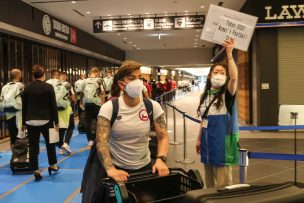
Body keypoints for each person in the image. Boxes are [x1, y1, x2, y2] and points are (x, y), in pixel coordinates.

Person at [81, 60, 169, 203]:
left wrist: (161, 159)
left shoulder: (152, 106)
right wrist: (110, 169)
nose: (138, 82)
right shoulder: (109, 108)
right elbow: (102, 142)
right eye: (132, 78)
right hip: (118, 171)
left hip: (144, 168)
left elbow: (163, 136)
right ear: (122, 84)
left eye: (140, 78)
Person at [196, 38, 239, 188]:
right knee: (209, 184)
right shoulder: (205, 95)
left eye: (222, 72)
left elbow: (234, 77)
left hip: (222, 145)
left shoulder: (227, 94)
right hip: (207, 144)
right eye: (216, 72)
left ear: (226, 77)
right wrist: (199, 139)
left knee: (223, 184)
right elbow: (204, 119)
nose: (219, 74)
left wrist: (229, 54)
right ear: (210, 76)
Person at [22, 65, 59, 181]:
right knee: (50, 143)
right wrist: (56, 121)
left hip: (30, 121)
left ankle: (35, 170)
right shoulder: (48, 87)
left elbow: (24, 106)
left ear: (34, 75)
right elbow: (53, 105)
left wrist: (23, 122)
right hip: (46, 120)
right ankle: (52, 165)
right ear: (43, 75)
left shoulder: (27, 88)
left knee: (33, 146)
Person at [46, 70, 72, 155]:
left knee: (54, 128)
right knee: (66, 127)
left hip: (51, 108)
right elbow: (72, 96)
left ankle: (57, 146)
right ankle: (63, 144)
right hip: (64, 108)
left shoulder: (47, 83)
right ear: (58, 76)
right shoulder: (66, 84)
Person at [82, 67, 106, 146]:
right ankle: (99, 138)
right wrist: (103, 103)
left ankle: (90, 140)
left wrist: (82, 103)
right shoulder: (99, 80)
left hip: (87, 103)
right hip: (97, 104)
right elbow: (102, 92)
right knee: (99, 121)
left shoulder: (85, 81)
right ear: (96, 72)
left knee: (88, 122)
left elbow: (82, 93)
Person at [0, 69, 24, 147]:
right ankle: (20, 155)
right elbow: (24, 100)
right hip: (19, 115)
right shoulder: (20, 86)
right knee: (20, 136)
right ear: (18, 75)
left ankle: (13, 153)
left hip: (8, 113)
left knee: (12, 136)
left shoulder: (5, 87)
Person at [59, 71, 76, 155]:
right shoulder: (68, 85)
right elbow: (73, 98)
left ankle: (61, 147)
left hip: (57, 111)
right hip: (67, 110)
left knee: (61, 128)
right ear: (65, 77)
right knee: (71, 126)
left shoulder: (54, 85)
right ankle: (66, 143)